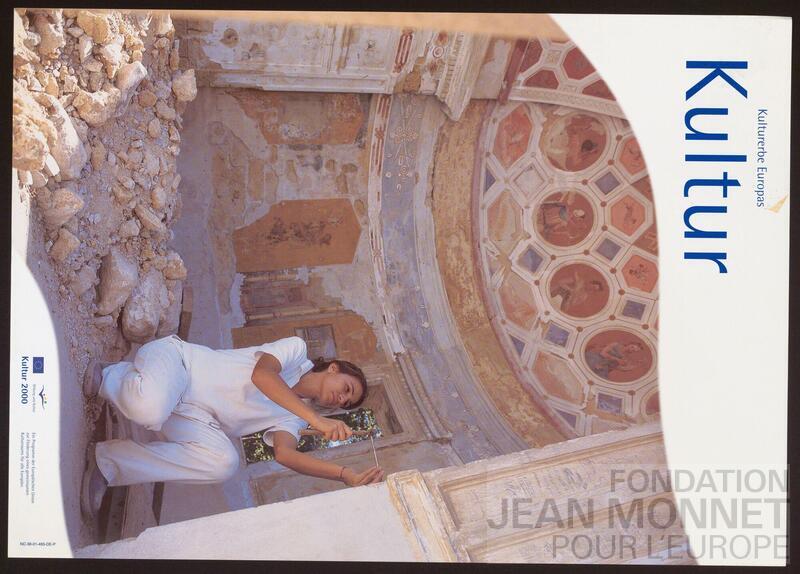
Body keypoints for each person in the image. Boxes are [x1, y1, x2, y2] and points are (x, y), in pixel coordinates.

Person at [81, 334, 384, 519]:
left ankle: (107, 463)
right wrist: (317, 420)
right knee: (150, 408)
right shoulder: (296, 351)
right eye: (346, 389)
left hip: (194, 416)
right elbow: (263, 376)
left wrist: (344, 475)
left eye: (345, 403)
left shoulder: (296, 417)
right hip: (178, 363)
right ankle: (111, 376)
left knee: (223, 464)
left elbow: (285, 454)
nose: (341, 399)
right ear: (333, 368)